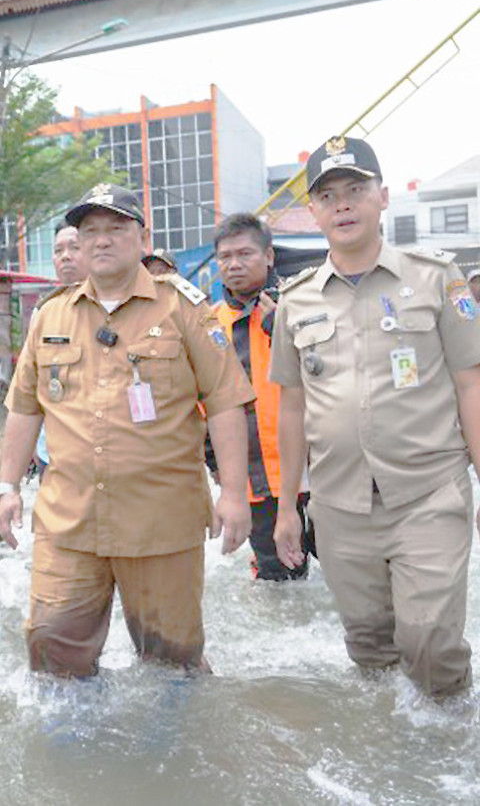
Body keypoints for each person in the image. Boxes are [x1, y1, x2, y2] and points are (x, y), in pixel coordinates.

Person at [0, 183, 254, 678]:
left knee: (170, 661)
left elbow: (226, 402)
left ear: (142, 237)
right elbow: (24, 407)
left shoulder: (185, 309)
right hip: (69, 521)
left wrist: (235, 495)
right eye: (89, 230)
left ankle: (171, 747)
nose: (100, 240)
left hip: (161, 521)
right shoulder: (51, 314)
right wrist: (8, 486)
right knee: (53, 651)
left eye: (116, 228)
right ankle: (69, 752)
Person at [271, 135, 480, 698]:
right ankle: (393, 754)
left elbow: (470, 382)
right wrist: (288, 506)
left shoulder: (436, 277)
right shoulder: (296, 299)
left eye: (355, 190)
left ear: (382, 197)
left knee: (430, 641)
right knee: (369, 646)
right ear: (312, 211)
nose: (343, 204)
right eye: (328, 195)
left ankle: (450, 746)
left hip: (429, 494)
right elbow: (291, 406)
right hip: (340, 505)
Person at [210, 212, 309, 581]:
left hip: (313, 472)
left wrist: (279, 329)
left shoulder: (298, 308)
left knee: (345, 570)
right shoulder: (210, 323)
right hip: (253, 481)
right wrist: (216, 467)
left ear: (268, 256)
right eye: (225, 256)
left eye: (245, 253)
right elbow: (203, 405)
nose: (234, 264)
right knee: (278, 580)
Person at [35, 218, 89, 476]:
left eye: (74, 248)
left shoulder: (117, 306)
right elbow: (31, 385)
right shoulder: (43, 312)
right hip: (53, 452)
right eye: (58, 251)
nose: (65, 257)